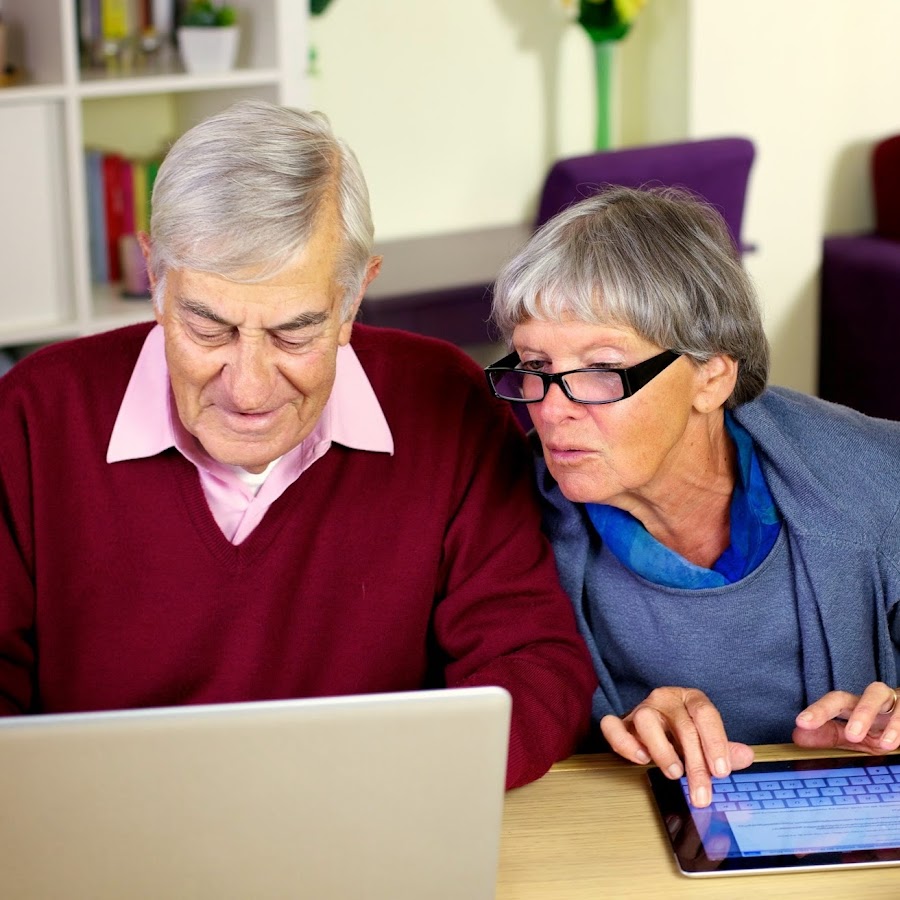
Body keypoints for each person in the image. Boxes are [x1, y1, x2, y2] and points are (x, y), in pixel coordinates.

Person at [0, 99, 597, 789]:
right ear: (155, 280)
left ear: (353, 299)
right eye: (208, 328)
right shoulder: (33, 416)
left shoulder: (447, 402)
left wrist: (372, 788)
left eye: (295, 332)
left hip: (373, 826)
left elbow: (533, 664)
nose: (248, 389)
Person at [485, 185, 900, 805]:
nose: (551, 410)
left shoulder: (878, 474)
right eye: (535, 368)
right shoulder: (503, 518)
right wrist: (609, 737)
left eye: (601, 371)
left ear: (711, 376)